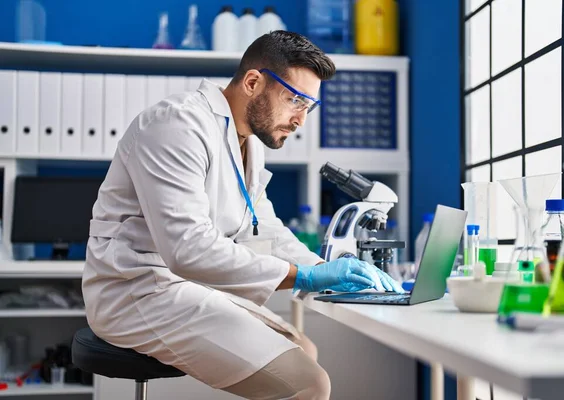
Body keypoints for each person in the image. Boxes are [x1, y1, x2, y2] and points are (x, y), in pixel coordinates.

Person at [82, 31, 401, 400]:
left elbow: (262, 225)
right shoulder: (176, 125)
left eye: (308, 106)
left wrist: (326, 270)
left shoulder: (245, 138)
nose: (301, 120)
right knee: (310, 383)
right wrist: (306, 277)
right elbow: (187, 248)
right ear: (253, 82)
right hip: (136, 290)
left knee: (305, 350)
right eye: (294, 100)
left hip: (183, 285)